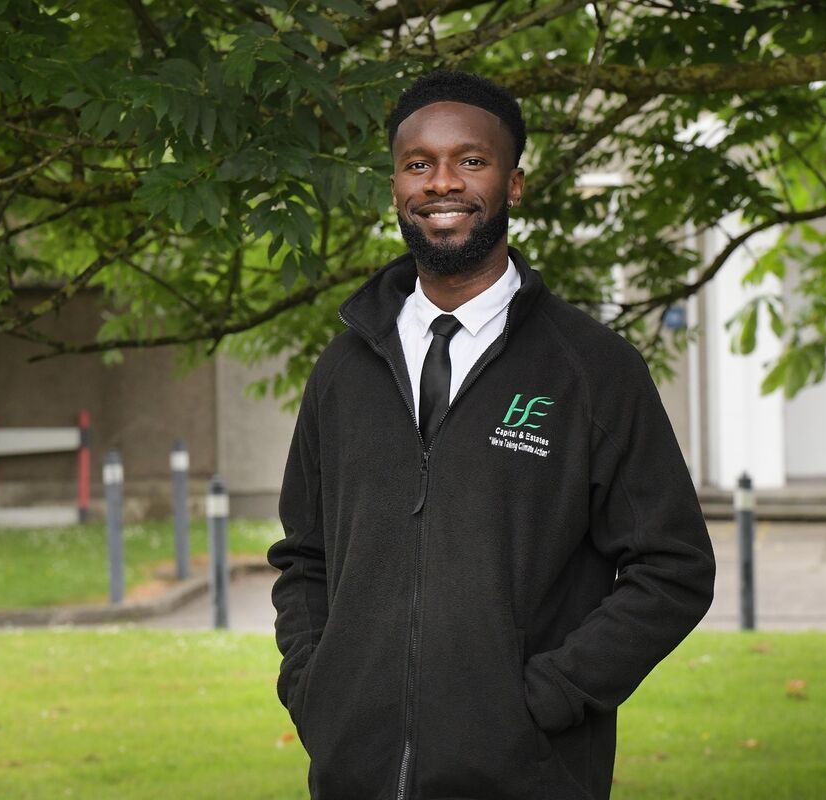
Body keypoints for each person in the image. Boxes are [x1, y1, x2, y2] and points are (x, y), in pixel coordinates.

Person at [268, 69, 715, 800]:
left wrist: (545, 699)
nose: (441, 183)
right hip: (354, 775)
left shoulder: (590, 369)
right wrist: (317, 688)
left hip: (529, 776)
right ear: (395, 186)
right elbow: (305, 557)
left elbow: (673, 569)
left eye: (470, 161)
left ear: (513, 184)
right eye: (419, 164)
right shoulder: (344, 369)